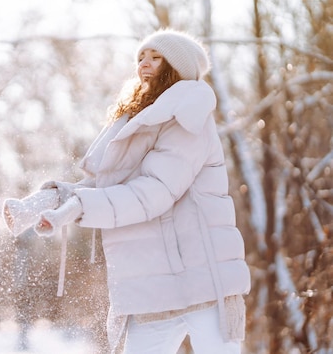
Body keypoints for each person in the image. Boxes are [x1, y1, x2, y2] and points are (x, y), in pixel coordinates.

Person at [33, 29, 251, 353]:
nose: (144, 64)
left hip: (202, 283)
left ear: (177, 67)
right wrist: (64, 196)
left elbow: (153, 192)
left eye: (155, 57)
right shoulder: (137, 120)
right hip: (152, 287)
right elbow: (111, 186)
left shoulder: (188, 118)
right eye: (140, 58)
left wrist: (83, 206)